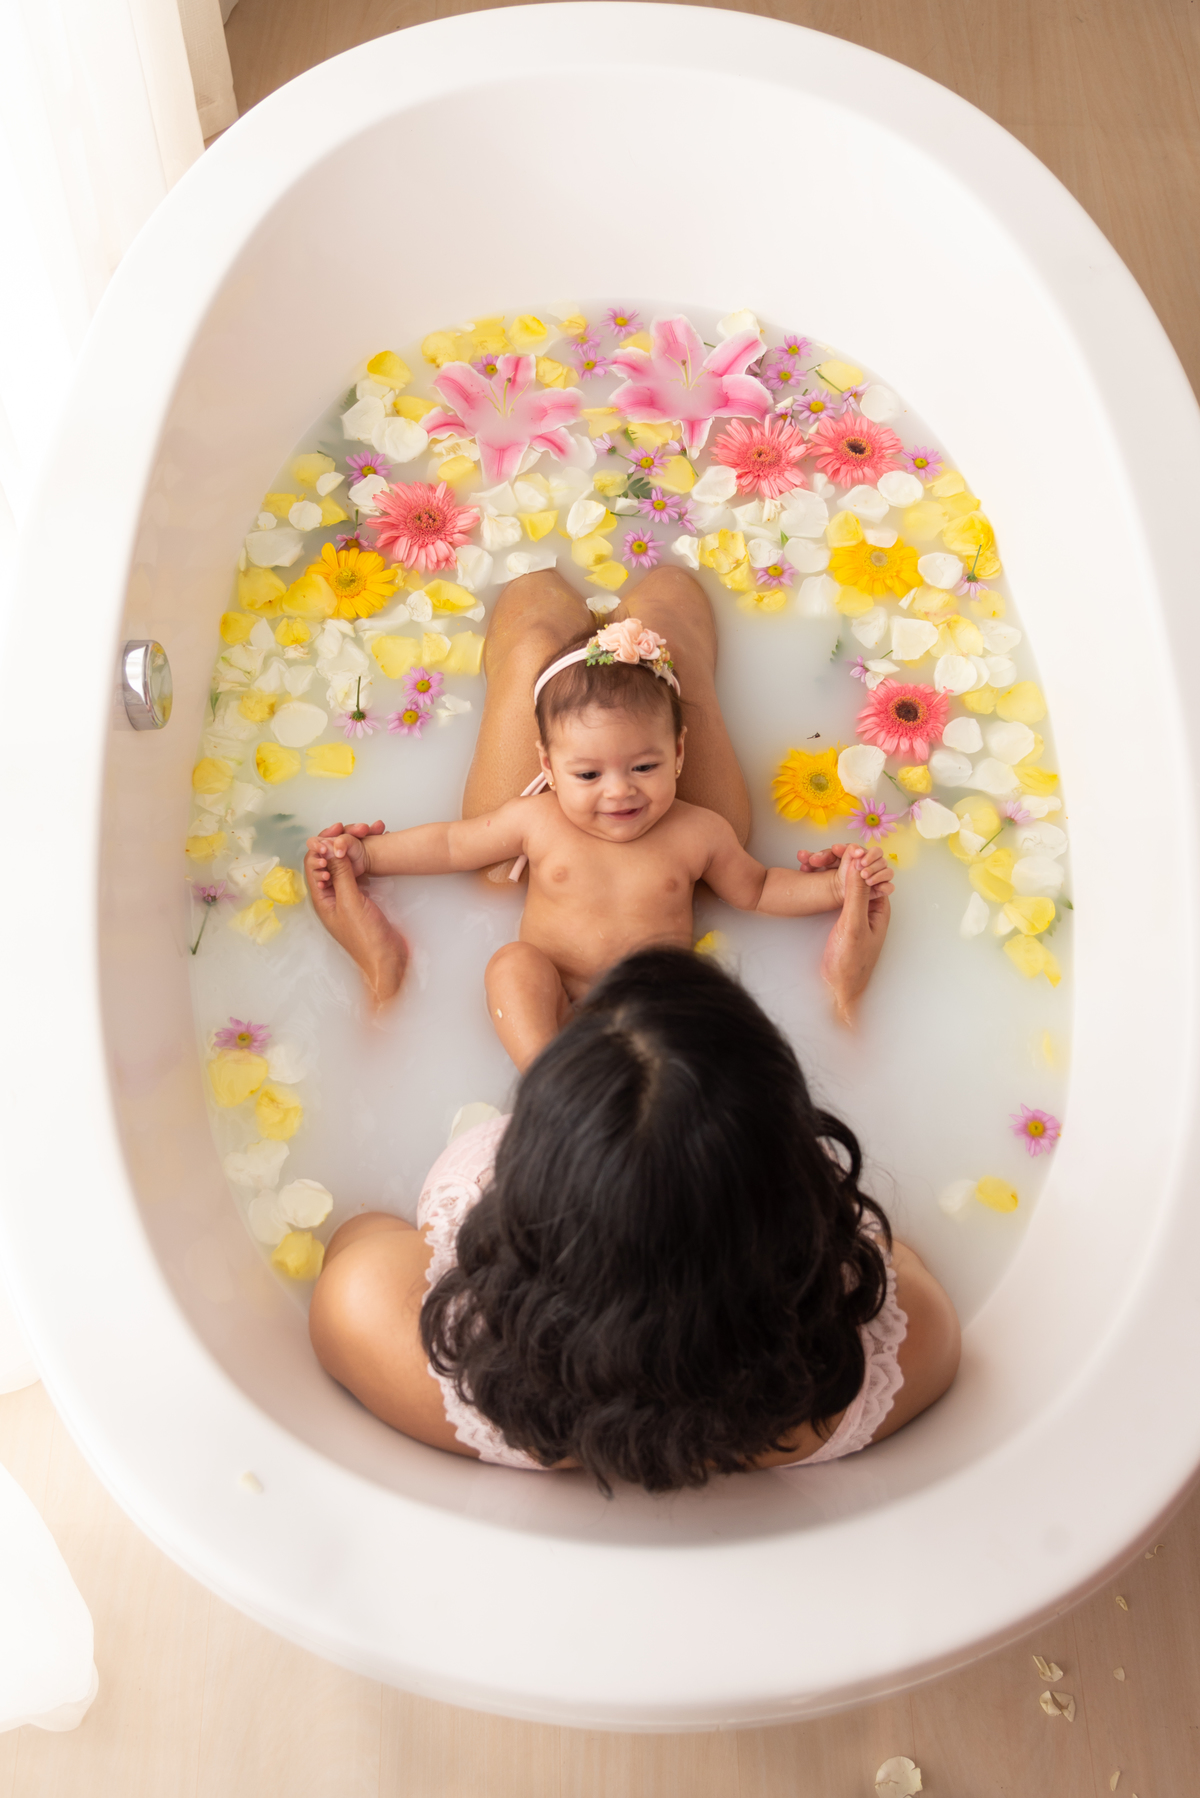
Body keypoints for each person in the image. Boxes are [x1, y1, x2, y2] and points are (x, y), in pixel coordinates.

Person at [306, 567, 960, 1491]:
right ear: (792, 1202)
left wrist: (383, 971)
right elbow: (904, 1265)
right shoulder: (905, 1349)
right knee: (665, 618)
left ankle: (579, 644)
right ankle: (655, 642)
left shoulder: (384, 1323)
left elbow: (358, 1247)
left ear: (533, 1196)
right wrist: (843, 988)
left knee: (538, 627)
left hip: (562, 868)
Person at [303, 567, 893, 1069]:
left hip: (652, 1007)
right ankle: (546, 1068)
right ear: (548, 767)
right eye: (588, 775)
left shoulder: (698, 831)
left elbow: (759, 888)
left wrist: (835, 888)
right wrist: (369, 855)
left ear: (679, 756)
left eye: (644, 767)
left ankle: (575, 1075)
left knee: (689, 999)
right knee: (514, 966)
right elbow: (454, 846)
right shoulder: (536, 819)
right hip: (556, 984)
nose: (619, 793)